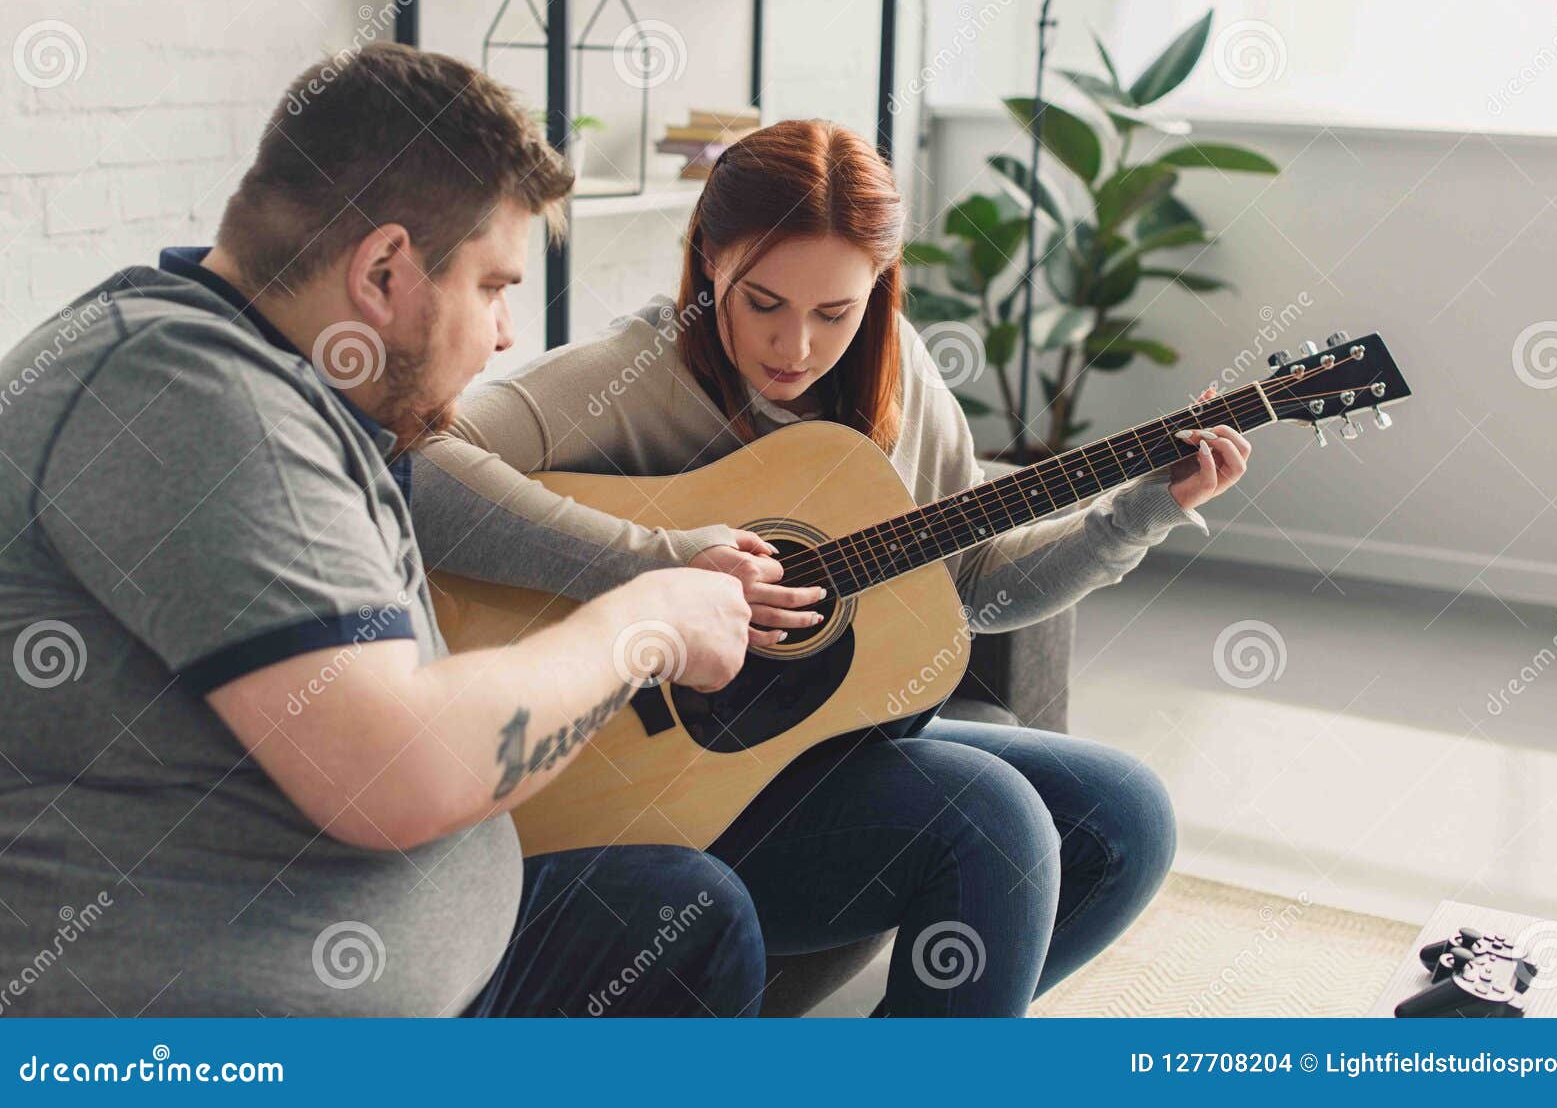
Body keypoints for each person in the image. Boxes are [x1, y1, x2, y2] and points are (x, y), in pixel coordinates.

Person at [413, 119, 1253, 1016]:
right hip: (651, 783)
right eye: (761, 302)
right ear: (707, 267)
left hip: (813, 748)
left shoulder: (900, 381)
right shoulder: (641, 370)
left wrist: (1141, 511)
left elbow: (975, 590)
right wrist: (660, 565)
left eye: (835, 313)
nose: (797, 348)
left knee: (1127, 814)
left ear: (878, 292)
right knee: (992, 817)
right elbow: (417, 461)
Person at [0, 44, 761, 1017]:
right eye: (493, 287)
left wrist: (660, 561)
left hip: (422, 973)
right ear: (386, 271)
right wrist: (640, 625)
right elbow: (389, 778)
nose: (503, 336)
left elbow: (443, 493)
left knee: (685, 917)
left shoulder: (285, 383)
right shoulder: (178, 391)